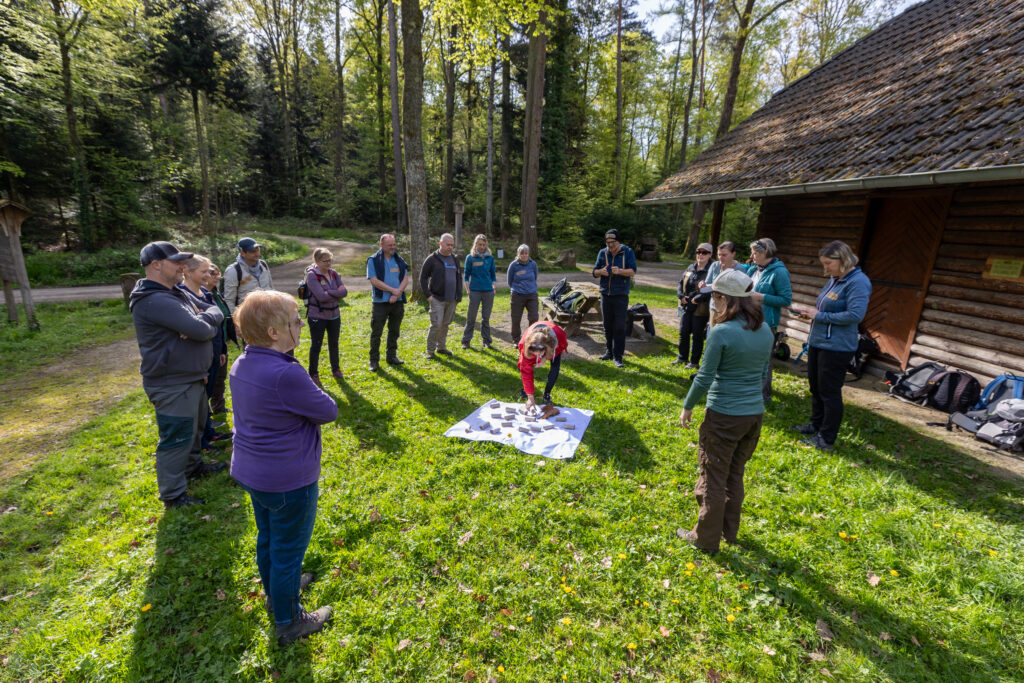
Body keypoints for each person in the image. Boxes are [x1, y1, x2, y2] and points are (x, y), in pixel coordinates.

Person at [229, 290, 338, 647]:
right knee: (289, 549)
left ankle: (277, 592)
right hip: (288, 479)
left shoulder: (243, 362)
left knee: (269, 538)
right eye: (294, 321)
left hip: (255, 473)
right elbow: (328, 410)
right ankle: (289, 620)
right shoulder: (284, 373)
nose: (301, 324)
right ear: (274, 332)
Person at [678, 269, 774, 554]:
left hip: (724, 415)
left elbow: (705, 377)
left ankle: (705, 539)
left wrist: (687, 405)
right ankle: (729, 532)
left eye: (715, 298)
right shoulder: (765, 329)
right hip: (753, 416)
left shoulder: (722, 332)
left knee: (713, 477)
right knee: (735, 472)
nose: (712, 303)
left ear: (725, 299)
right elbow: (761, 375)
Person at [128, 241, 227, 509]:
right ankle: (173, 494)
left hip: (191, 376)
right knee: (176, 437)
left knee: (194, 429)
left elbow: (215, 310)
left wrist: (202, 319)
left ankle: (193, 467)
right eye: (176, 262)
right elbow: (204, 330)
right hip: (171, 382)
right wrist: (201, 323)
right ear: (156, 265)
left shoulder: (175, 293)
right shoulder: (155, 300)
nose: (182, 266)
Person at [791, 241, 872, 452]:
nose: (825, 268)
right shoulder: (835, 280)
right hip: (818, 342)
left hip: (836, 347)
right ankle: (815, 425)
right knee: (816, 387)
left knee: (829, 392)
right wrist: (810, 313)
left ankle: (826, 439)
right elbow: (826, 307)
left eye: (828, 263)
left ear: (842, 260)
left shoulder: (858, 282)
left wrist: (820, 316)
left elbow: (855, 315)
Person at [176, 255, 232, 450]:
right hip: (197, 358)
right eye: (204, 271)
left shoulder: (206, 295)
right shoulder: (181, 295)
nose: (208, 275)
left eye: (209, 271)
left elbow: (218, 323)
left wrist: (222, 350)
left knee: (206, 395)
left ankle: (208, 433)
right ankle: (200, 440)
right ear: (188, 272)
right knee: (198, 400)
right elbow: (192, 329)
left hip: (214, 353)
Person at [745, 238, 792, 401]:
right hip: (748, 319)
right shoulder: (752, 270)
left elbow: (786, 300)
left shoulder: (779, 272)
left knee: (763, 360)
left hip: (766, 323)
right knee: (748, 356)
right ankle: (749, 389)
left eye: (754, 252)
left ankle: (763, 395)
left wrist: (762, 297)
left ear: (764, 252)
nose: (752, 255)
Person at [592, 229, 637, 368]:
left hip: (621, 295)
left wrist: (620, 271)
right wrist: (601, 272)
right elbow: (594, 272)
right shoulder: (602, 253)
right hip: (606, 294)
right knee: (607, 325)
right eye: (608, 242)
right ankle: (609, 352)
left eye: (613, 242)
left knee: (619, 326)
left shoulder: (627, 252)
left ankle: (618, 356)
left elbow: (633, 271)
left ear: (619, 241)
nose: (610, 245)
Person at [366, 233, 410, 371]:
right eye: (389, 245)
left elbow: (405, 279)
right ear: (381, 245)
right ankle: (374, 361)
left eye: (394, 244)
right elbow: (374, 281)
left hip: (397, 302)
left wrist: (397, 294)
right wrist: (393, 291)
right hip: (380, 302)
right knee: (376, 332)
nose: (393, 247)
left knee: (394, 331)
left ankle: (391, 356)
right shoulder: (373, 260)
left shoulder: (399, 260)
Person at [305, 247, 348, 384]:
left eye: (330, 260)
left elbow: (345, 292)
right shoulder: (312, 276)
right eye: (325, 261)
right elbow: (320, 297)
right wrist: (336, 292)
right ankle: (313, 373)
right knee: (316, 345)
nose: (329, 264)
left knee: (334, 343)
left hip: (334, 314)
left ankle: (335, 369)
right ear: (317, 261)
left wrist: (329, 292)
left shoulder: (334, 273)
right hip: (318, 315)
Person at [419, 233, 463, 358]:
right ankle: (430, 350)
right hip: (437, 298)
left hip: (452, 299)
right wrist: (428, 296)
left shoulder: (454, 259)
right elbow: (422, 278)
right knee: (436, 325)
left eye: (452, 245)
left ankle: (441, 347)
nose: (450, 247)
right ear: (440, 243)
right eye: (448, 244)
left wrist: (458, 295)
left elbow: (458, 277)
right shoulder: (432, 259)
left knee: (445, 324)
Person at [673, 243, 713, 368]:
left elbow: (713, 288)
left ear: (710, 255)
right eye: (698, 252)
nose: (700, 255)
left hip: (700, 308)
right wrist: (681, 296)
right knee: (683, 332)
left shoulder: (711, 269)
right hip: (686, 306)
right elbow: (680, 283)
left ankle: (694, 362)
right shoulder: (691, 267)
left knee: (697, 335)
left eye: (704, 252)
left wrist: (699, 298)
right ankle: (682, 357)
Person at [517, 320, 569, 411]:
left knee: (555, 367)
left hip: (554, 344)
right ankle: (526, 390)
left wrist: (544, 359)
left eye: (539, 351)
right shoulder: (525, 344)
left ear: (547, 348)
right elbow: (526, 371)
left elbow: (559, 347)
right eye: (534, 351)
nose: (537, 354)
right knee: (524, 366)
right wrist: (530, 397)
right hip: (537, 344)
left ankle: (547, 393)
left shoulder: (558, 337)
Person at [206, 264, 235, 415]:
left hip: (221, 342)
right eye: (213, 274)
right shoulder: (201, 295)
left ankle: (218, 406)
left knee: (220, 376)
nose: (217, 277)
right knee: (208, 378)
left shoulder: (216, 293)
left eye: (218, 274)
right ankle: (205, 412)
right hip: (208, 344)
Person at [461, 234, 497, 349]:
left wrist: (494, 287)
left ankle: (486, 341)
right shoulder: (470, 257)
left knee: (485, 318)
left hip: (488, 292)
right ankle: (466, 341)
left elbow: (493, 274)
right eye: (480, 244)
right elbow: (466, 275)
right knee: (471, 317)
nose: (482, 247)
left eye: (484, 245)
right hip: (475, 291)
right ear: (475, 244)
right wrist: (467, 289)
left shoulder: (490, 258)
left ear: (486, 245)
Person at [223, 237, 274, 315]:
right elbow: (229, 300)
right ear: (242, 253)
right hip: (247, 316)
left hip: (268, 313)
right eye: (253, 251)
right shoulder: (233, 271)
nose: (257, 253)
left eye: (258, 250)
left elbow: (271, 288)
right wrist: (236, 321)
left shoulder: (263, 264)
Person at [702, 241, 745, 328]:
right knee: (712, 334)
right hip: (714, 307)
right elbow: (707, 284)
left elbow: (740, 292)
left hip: (730, 309)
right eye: (719, 255)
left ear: (733, 254)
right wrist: (703, 285)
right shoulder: (715, 265)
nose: (720, 258)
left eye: (724, 255)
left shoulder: (740, 269)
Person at [507, 244, 540, 346]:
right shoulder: (513, 265)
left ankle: (531, 338)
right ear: (518, 254)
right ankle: (516, 339)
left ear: (528, 254)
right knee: (516, 318)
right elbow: (509, 280)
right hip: (517, 295)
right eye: (522, 253)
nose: (524, 255)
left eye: (526, 253)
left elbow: (535, 277)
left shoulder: (533, 264)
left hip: (531, 295)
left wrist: (529, 287)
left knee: (534, 317)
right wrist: (517, 289)